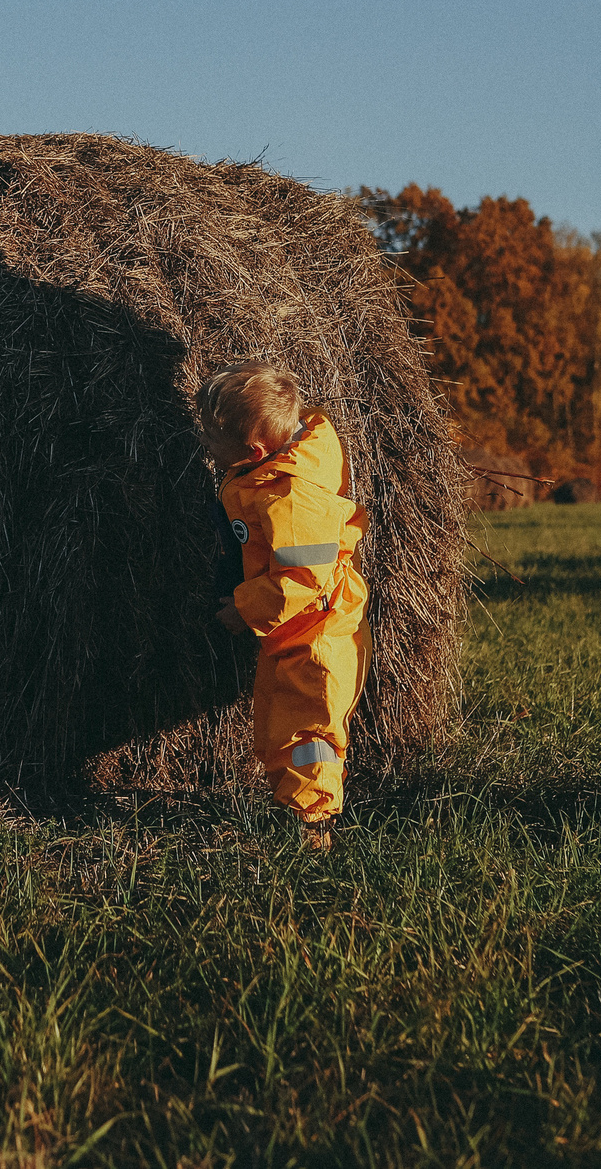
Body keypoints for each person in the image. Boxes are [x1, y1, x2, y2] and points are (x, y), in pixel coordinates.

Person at [200, 364, 370, 852]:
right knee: (282, 720)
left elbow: (303, 578)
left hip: (316, 633)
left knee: (309, 731)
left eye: (211, 440)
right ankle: (293, 808)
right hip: (296, 628)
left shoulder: (292, 496)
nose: (204, 445)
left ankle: (313, 828)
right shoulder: (273, 466)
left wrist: (243, 608)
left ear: (255, 451)